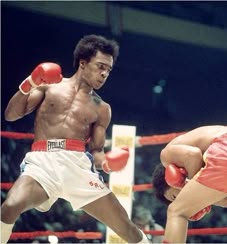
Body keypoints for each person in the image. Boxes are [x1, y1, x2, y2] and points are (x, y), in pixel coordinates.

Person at [1, 34, 150, 243]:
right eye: (100, 66)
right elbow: (11, 114)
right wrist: (29, 83)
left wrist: (106, 164)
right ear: (83, 62)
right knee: (9, 207)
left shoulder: (102, 108)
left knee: (127, 228)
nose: (104, 73)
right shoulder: (49, 86)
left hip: (78, 168)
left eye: (108, 70)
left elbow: (97, 152)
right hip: (43, 163)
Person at [152, 125, 227, 243]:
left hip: (226, 148)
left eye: (174, 197)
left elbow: (193, 155)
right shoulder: (207, 169)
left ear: (168, 177)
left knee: (176, 211)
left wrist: (188, 183)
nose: (180, 198)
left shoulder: (166, 157)